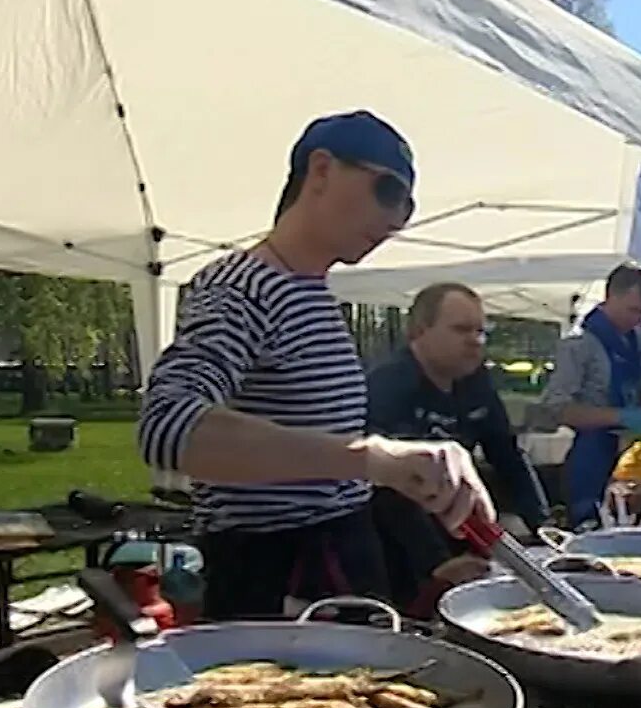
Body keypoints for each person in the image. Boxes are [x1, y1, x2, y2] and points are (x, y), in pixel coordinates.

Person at [138, 111, 494, 620]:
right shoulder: (242, 286)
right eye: (389, 191)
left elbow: (327, 458)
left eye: (409, 205)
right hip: (273, 579)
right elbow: (169, 427)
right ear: (322, 170)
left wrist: (403, 476)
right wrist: (372, 458)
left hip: (337, 560)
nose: (398, 220)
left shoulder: (311, 292)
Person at [365, 282, 552, 612]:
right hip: (389, 540)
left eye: (480, 331)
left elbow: (507, 455)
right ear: (419, 331)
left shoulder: (475, 382)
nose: (475, 341)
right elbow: (388, 489)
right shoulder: (387, 385)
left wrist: (544, 528)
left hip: (453, 522)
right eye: (461, 330)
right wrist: (436, 564)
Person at [537, 263, 641, 527]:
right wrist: (619, 417)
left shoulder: (631, 344)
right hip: (589, 457)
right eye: (633, 310)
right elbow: (555, 407)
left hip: (628, 459)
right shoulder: (579, 343)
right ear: (611, 296)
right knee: (589, 526)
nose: (638, 320)